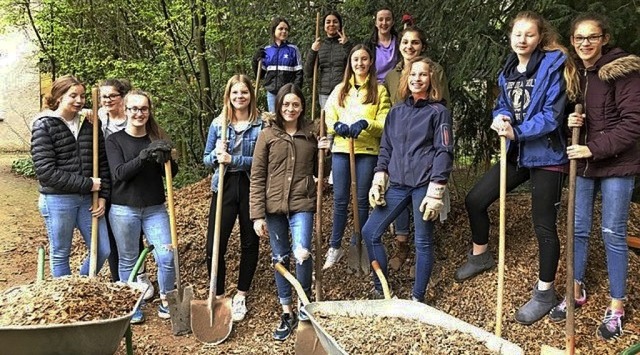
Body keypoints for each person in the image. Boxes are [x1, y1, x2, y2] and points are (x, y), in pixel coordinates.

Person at [454, 11, 573, 325]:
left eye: (529, 35)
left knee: (543, 226)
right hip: (518, 151)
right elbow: (503, 103)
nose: (523, 40)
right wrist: (502, 116)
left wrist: (517, 131)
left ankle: (545, 292)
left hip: (547, 154)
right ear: (510, 36)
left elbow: (552, 116)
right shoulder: (508, 69)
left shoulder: (552, 66)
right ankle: (481, 256)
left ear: (539, 37)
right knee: (476, 199)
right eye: (518, 34)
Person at [548, 13, 640, 340]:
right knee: (577, 228)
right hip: (585, 161)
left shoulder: (622, 70)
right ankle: (575, 290)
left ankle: (617, 306)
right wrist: (573, 126)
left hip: (617, 161)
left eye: (592, 37)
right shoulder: (577, 74)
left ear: (604, 38)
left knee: (613, 231)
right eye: (579, 38)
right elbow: (574, 117)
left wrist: (592, 148)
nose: (585, 43)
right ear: (573, 42)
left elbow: (632, 123)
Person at [363, 56, 453, 302]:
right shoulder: (396, 112)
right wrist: (378, 178)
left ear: (431, 79)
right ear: (406, 78)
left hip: (424, 186)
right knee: (370, 232)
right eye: (413, 74)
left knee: (422, 241)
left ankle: (418, 298)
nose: (417, 79)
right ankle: (381, 289)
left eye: (423, 75)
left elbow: (444, 151)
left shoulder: (439, 112)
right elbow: (386, 148)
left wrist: (437, 191)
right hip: (398, 185)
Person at [250, 83, 329, 341]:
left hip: (302, 203)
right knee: (281, 258)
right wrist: (257, 215)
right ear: (279, 106)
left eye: (295, 104)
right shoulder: (268, 135)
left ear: (302, 106)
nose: (290, 108)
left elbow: (322, 173)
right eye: (286, 104)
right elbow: (257, 175)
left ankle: (304, 307)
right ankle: (287, 311)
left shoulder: (311, 134)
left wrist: (325, 152)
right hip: (273, 207)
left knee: (303, 253)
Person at [105, 90, 178, 324]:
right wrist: (144, 156)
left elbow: (170, 174)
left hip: (155, 208)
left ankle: (167, 298)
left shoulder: (155, 137)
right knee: (128, 259)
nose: (139, 113)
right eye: (134, 109)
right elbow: (120, 174)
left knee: (167, 255)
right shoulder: (114, 141)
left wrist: (167, 160)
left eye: (143, 109)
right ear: (125, 111)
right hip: (123, 208)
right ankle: (131, 303)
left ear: (149, 111)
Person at [383, 26, 451, 273]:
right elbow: (388, 107)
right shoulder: (392, 76)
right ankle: (402, 246)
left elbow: (443, 106)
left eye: (415, 43)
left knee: (423, 207)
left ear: (422, 46)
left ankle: (425, 258)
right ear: (399, 45)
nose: (409, 47)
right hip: (399, 147)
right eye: (405, 42)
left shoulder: (436, 72)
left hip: (424, 148)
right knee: (397, 196)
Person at [31, 74, 111, 277]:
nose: (79, 100)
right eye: (72, 95)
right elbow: (46, 172)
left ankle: (80, 286)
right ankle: (65, 300)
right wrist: (88, 184)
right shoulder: (44, 125)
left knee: (102, 249)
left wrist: (103, 195)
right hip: (58, 198)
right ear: (59, 97)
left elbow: (102, 163)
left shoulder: (90, 123)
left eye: (83, 96)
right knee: (60, 253)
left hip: (88, 199)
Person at [322, 44, 391, 270]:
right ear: (350, 63)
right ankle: (335, 246)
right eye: (355, 60)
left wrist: (366, 124)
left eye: (364, 59)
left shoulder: (379, 91)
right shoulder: (340, 89)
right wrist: (337, 126)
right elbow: (329, 117)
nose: (359, 63)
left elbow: (384, 123)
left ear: (370, 62)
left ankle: (358, 241)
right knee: (341, 199)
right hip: (343, 149)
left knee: (361, 200)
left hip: (367, 151)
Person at [203, 75, 264, 322]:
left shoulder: (262, 125)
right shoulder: (219, 125)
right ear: (228, 96)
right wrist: (216, 156)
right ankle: (216, 293)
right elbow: (206, 158)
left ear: (251, 95)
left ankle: (240, 294)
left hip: (250, 184)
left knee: (249, 241)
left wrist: (234, 159)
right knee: (214, 244)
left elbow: (262, 162)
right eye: (235, 93)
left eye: (244, 93)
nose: (240, 97)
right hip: (224, 185)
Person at [97, 79, 155, 301]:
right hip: (108, 183)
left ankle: (140, 275)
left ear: (123, 99)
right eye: (104, 97)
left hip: (134, 186)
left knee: (137, 232)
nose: (108, 100)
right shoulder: (98, 120)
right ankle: (121, 283)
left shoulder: (133, 120)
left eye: (112, 96)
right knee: (115, 237)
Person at [304, 10, 353, 110]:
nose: (331, 24)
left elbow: (354, 66)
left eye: (335, 21)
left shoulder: (346, 45)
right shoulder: (319, 46)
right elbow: (308, 72)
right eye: (328, 22)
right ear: (324, 26)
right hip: (325, 93)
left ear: (340, 25)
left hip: (343, 91)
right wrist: (313, 51)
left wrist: (347, 45)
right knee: (326, 122)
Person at [253, 17, 304, 112]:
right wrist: (255, 60)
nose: (284, 31)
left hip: (288, 92)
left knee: (287, 118)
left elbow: (299, 73)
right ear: (274, 30)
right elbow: (259, 75)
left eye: (286, 29)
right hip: (272, 92)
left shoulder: (293, 49)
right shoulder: (267, 50)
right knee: (274, 120)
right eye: (281, 28)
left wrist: (295, 91)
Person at [367, 7, 399, 83]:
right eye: (380, 19)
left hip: (395, 85)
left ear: (393, 22)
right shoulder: (368, 44)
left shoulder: (400, 42)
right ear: (376, 23)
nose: (384, 23)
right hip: (374, 86)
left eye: (388, 19)